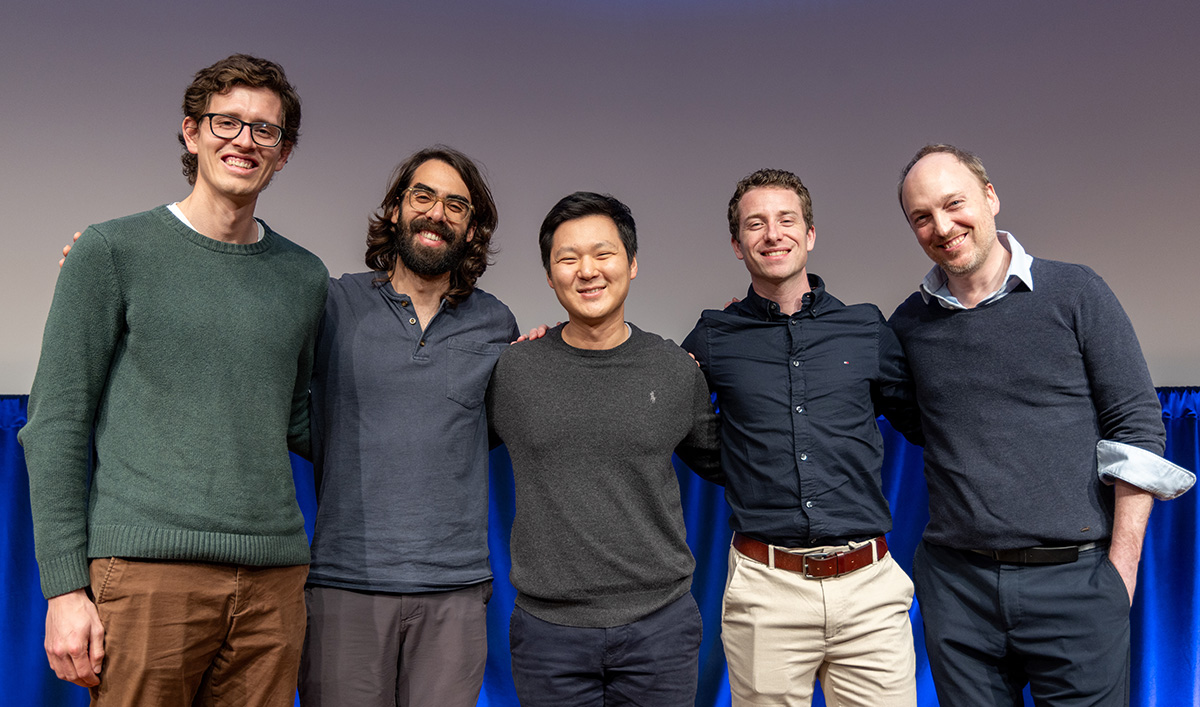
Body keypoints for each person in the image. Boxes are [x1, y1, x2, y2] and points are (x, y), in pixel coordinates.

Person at [20, 54, 327, 706]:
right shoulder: (111, 251)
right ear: (191, 132)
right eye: (226, 122)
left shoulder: (304, 277)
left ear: (284, 153)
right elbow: (55, 424)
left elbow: (300, 418)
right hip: (146, 577)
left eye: (264, 130)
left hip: (274, 581)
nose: (244, 140)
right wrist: (64, 590)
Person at [890, 144, 1194, 706]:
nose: (942, 226)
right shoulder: (909, 323)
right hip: (959, 592)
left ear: (990, 196)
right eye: (922, 217)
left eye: (954, 204)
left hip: (1075, 585)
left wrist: (1117, 575)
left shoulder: (1076, 292)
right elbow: (918, 422)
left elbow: (1137, 427)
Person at [681, 169, 923, 706]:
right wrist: (747, 468)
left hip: (869, 589)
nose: (773, 234)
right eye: (755, 224)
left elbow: (924, 421)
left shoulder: (866, 329)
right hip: (767, 590)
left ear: (809, 234)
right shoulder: (715, 336)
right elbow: (673, 420)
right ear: (737, 244)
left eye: (786, 220)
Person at [299, 146, 518, 706]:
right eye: (423, 196)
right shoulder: (333, 304)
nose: (437, 212)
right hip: (345, 584)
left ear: (472, 230)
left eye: (456, 204)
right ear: (396, 209)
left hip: (455, 590)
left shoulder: (496, 323)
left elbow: (488, 427)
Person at [486, 192, 722, 706]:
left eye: (603, 254)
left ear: (632, 264)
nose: (587, 271)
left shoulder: (675, 370)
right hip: (548, 633)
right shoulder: (514, 371)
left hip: (659, 629)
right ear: (550, 275)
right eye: (567, 259)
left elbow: (727, 463)